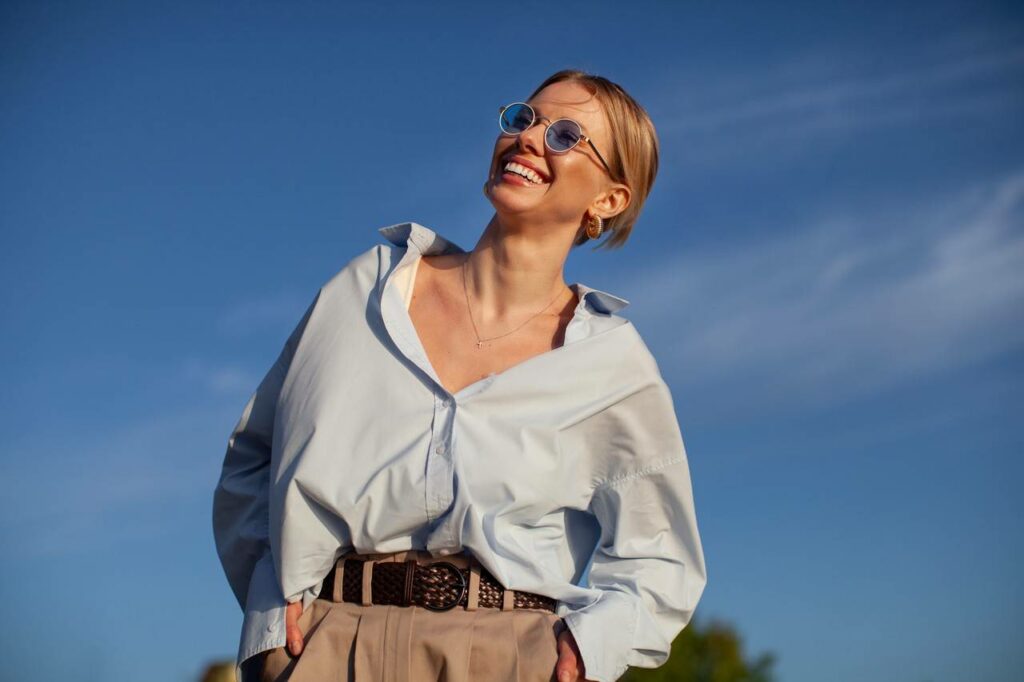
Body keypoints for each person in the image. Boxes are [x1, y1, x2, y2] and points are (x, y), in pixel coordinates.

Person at [212, 69, 707, 682]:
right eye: (525, 119)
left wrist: (585, 653)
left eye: (567, 135)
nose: (529, 139)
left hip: (510, 656)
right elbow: (252, 456)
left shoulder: (613, 366)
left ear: (607, 200)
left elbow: (659, 557)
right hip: (327, 643)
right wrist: (270, 617)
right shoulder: (368, 289)